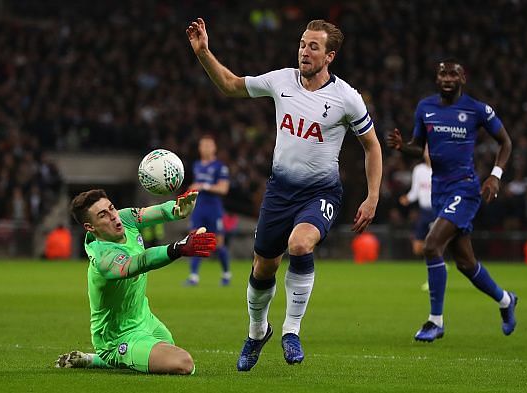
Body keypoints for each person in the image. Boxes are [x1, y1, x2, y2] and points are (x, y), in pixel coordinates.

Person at [186, 18, 382, 370]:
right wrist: (203, 53)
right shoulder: (281, 80)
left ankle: (291, 330)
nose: (304, 51)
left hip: (321, 192)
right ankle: (257, 332)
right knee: (264, 268)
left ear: (330, 55)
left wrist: (372, 196)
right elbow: (230, 85)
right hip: (279, 192)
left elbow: (372, 146)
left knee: (301, 244)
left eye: (313, 47)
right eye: (303, 44)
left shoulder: (346, 98)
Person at [387, 58, 518, 342]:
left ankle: (435, 322)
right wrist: (402, 147)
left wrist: (495, 175)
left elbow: (506, 142)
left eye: (453, 74)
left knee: (432, 245)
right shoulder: (425, 108)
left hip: (466, 189)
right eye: (442, 74)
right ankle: (506, 300)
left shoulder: (477, 109)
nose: (447, 78)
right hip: (440, 190)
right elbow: (418, 148)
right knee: (465, 263)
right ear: (437, 79)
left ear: (463, 78)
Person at [55, 189, 216, 374]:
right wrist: (177, 248)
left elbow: (157, 212)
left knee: (167, 344)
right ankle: (107, 356)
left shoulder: (123, 218)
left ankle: (93, 359)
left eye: (111, 208)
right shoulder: (103, 258)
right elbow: (139, 262)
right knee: (183, 363)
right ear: (90, 227)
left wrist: (177, 210)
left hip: (144, 318)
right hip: (116, 336)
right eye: (102, 215)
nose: (113, 217)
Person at [184, 134, 232, 286]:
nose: (205, 148)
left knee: (218, 243)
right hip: (199, 208)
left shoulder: (220, 167)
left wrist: (203, 186)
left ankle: (226, 274)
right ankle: (193, 276)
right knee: (195, 240)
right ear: (199, 148)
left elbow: (224, 189)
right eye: (202, 145)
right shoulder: (196, 165)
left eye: (208, 145)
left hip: (214, 208)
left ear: (214, 148)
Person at [399, 146, 433, 257]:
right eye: (427, 150)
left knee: (437, 242)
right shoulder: (419, 170)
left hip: (438, 212)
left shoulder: (442, 170)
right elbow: (415, 192)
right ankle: (432, 258)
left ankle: (437, 261)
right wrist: (407, 198)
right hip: (424, 212)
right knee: (417, 248)